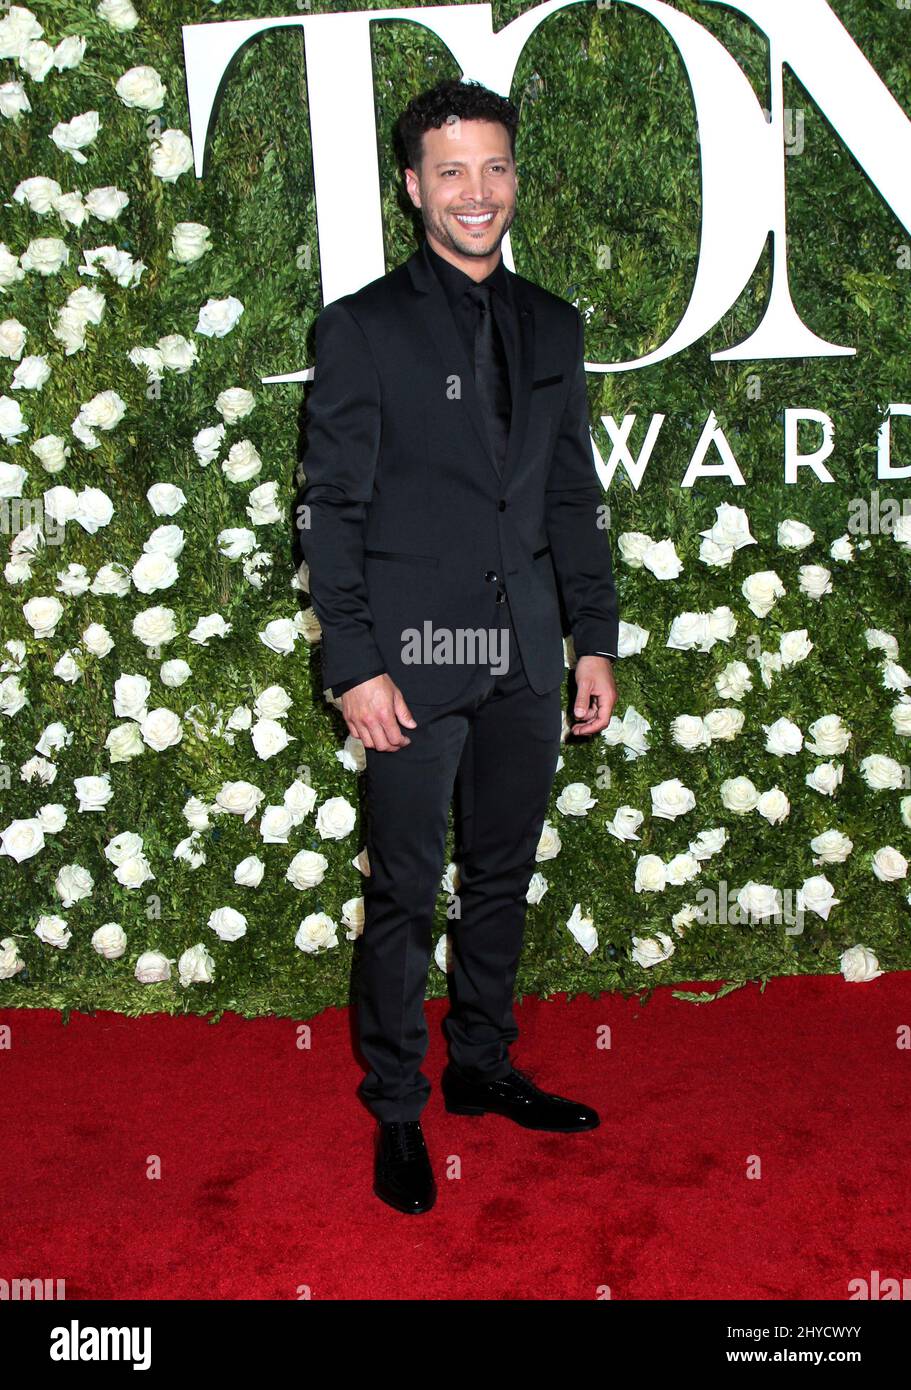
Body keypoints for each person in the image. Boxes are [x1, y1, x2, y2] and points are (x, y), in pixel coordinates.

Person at [299, 77, 619, 1214]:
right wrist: (353, 665)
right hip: (409, 663)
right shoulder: (361, 329)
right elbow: (329, 508)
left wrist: (592, 637)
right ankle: (396, 1107)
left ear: (511, 178)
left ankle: (480, 1064)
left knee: (501, 876)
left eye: (493, 168)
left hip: (530, 655)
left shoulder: (552, 323)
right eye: (451, 172)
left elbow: (570, 494)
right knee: (405, 892)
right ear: (411, 187)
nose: (475, 193)